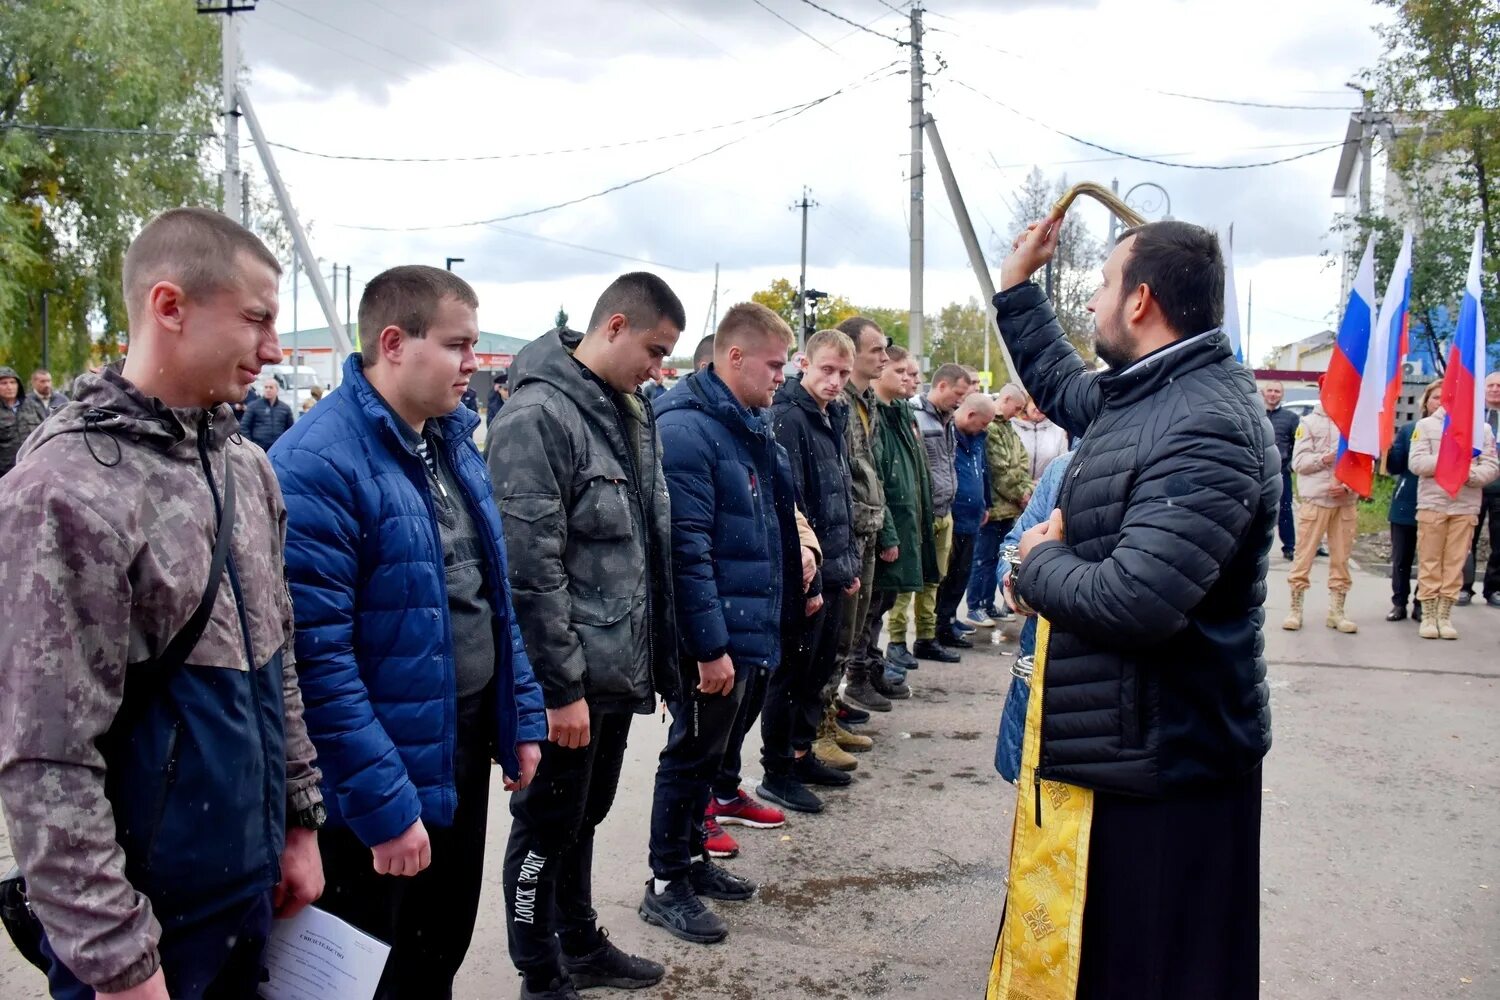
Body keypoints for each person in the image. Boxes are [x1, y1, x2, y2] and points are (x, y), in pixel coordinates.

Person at [0, 207, 324, 1000]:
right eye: (256, 319)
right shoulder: (64, 488)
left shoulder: (246, 467)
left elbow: (276, 661)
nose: (275, 350)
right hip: (144, 926)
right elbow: (45, 753)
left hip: (249, 893)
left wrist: (299, 820)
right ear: (169, 307)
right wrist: (115, 960)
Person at [993, 214, 1276, 999]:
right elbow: (1060, 384)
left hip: (1165, 765)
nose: (1091, 302)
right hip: (1127, 746)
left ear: (1142, 299)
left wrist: (1036, 560)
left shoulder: (1207, 423)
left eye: (1103, 286)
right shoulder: (1155, 393)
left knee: (1155, 971)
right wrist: (1017, 285)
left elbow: (1138, 600)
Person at [270, 265, 547, 1000]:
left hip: (454, 744)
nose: (473, 363)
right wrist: (386, 809)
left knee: (438, 949)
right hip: (373, 778)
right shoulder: (316, 463)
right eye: (457, 346)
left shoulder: (452, 443)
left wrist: (518, 714)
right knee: (370, 970)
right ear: (394, 343)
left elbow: (491, 592)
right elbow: (316, 662)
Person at [488, 273, 685, 999]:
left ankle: (579, 939)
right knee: (545, 826)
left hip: (612, 668)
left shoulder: (628, 411)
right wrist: (558, 688)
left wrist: (661, 662)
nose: (659, 369)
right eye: (656, 350)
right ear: (615, 325)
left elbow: (642, 550)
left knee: (584, 816)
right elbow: (528, 570)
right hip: (567, 680)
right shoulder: (538, 415)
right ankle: (539, 976)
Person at [641, 302, 801, 945]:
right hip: (715, 637)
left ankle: (694, 861)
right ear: (733, 358)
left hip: (746, 625)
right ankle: (665, 883)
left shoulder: (743, 424)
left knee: (711, 758)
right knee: (689, 757)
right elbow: (689, 548)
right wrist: (709, 647)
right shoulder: (687, 430)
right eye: (773, 365)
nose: (780, 378)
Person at [755, 329, 861, 816]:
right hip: (804, 574)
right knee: (790, 674)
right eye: (826, 370)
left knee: (816, 671)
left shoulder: (832, 415)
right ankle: (777, 770)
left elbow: (841, 497)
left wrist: (846, 567)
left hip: (833, 568)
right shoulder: (789, 417)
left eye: (843, 373)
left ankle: (801, 754)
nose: (835, 381)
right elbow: (792, 505)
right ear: (803, 363)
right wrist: (815, 577)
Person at [994, 448, 1075, 783]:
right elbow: (1016, 541)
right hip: (1040, 660)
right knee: (1032, 791)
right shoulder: (1063, 467)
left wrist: (1046, 575)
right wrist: (1011, 580)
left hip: (1095, 686)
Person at [861, 346, 935, 702]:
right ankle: (860, 676)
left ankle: (872, 670)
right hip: (885, 530)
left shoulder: (902, 413)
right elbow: (874, 481)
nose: (913, 378)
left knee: (883, 605)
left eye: (914, 372)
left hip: (906, 526)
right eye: (903, 371)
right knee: (870, 609)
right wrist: (888, 533)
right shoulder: (875, 417)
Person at [827, 316, 892, 721]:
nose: (884, 357)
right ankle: (818, 727)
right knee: (837, 636)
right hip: (846, 532)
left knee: (853, 631)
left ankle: (830, 711)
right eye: (876, 350)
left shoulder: (867, 404)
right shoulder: (838, 402)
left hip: (867, 528)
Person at [893, 363, 973, 662]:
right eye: (958, 393)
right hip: (918, 514)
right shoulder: (913, 415)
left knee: (933, 580)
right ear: (941, 386)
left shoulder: (948, 419)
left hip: (943, 511)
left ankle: (926, 639)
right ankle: (897, 643)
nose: (960, 401)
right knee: (906, 583)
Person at [1406, 386, 1499, 639]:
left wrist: (1469, 474)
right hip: (1433, 503)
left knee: (1455, 562)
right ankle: (1428, 615)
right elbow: (1416, 463)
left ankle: (1445, 615)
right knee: (1430, 560)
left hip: (1465, 503)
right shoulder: (1426, 426)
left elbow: (1491, 465)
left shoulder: (1482, 430)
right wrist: (1448, 460)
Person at [1283, 380, 1359, 633]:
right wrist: (1325, 458)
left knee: (1341, 558)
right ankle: (1295, 609)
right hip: (1317, 499)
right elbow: (1299, 463)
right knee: (1304, 556)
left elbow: (1362, 464)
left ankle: (1337, 611)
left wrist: (1348, 486)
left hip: (1345, 501)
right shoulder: (1308, 423)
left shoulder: (1354, 424)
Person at [966, 384, 1032, 628]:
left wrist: (1025, 489)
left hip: (1009, 508)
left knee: (1000, 557)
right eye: (1016, 407)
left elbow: (1021, 461)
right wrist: (1022, 494)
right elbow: (999, 470)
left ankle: (988, 603)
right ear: (1005, 399)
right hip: (994, 508)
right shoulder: (992, 428)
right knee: (983, 559)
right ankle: (976, 606)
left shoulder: (1007, 427)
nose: (1018, 412)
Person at [937, 392, 997, 641]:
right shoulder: (947, 435)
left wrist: (986, 503)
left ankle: (950, 618)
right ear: (971, 414)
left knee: (961, 574)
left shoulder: (978, 437)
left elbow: (983, 471)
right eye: (983, 423)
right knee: (947, 576)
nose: (984, 428)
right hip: (954, 515)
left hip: (974, 516)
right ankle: (939, 626)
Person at [1385, 381, 1440, 622]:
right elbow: (1396, 465)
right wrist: (1388, 449)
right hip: (1407, 501)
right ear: (1426, 401)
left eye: (1445, 397)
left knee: (1430, 557)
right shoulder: (1409, 430)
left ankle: (1422, 602)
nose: (1440, 402)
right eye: (1436, 397)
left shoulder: (1456, 431)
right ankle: (1399, 603)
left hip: (1438, 503)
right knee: (1402, 558)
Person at [1459, 371, 1500, 606]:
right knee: (1466, 539)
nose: (1495, 389)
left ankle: (1495, 588)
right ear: (1483, 389)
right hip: (1474, 485)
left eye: (1499, 386)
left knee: (1499, 542)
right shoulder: (1471, 418)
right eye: (1491, 385)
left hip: (1499, 489)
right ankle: (1463, 586)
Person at [1262, 381, 1300, 560]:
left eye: (1277, 391)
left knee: (1284, 510)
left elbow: (1298, 445)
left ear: (1281, 395)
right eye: (1270, 390)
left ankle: (1289, 546)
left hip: (1281, 472)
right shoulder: (1255, 414)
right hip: (1257, 471)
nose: (1273, 394)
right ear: (1263, 393)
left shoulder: (1291, 418)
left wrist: (1291, 464)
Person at [0, 366, 44, 476]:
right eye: (4, 383)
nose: (9, 387)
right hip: (4, 474)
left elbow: (46, 431)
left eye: (13, 382)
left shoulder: (33, 406)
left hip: (33, 469)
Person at [1012, 397, 1069, 479]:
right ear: (1026, 404)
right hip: (1016, 488)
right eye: (1036, 402)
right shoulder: (1012, 426)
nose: (1039, 408)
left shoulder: (1058, 431)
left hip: (1045, 488)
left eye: (1044, 404)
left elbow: (1063, 464)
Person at [239, 376, 295, 451]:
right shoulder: (253, 406)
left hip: (277, 449)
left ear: (277, 390)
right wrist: (251, 446)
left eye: (271, 387)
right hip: (258, 449)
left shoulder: (285, 408)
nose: (268, 390)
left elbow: (290, 429)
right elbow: (244, 427)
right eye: (266, 387)